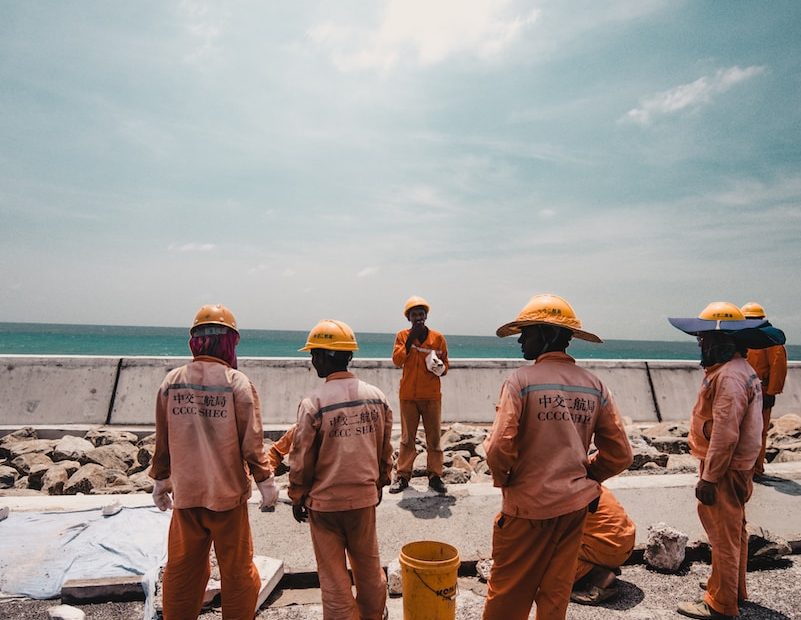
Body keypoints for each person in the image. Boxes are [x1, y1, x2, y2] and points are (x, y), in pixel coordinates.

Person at [482, 293, 633, 620]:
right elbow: (620, 453)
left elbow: (497, 448)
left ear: (548, 334)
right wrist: (590, 475)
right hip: (573, 509)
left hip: (527, 508)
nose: (522, 339)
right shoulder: (594, 386)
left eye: (528, 331)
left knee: (507, 595)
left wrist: (505, 479)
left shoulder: (520, 382)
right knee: (555, 595)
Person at [149, 304, 278, 620]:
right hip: (227, 499)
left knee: (182, 571)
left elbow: (162, 442)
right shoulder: (237, 383)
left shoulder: (172, 382)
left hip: (187, 498)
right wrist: (266, 484)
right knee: (238, 573)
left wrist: (160, 482)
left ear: (195, 341)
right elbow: (252, 443)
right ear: (230, 342)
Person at [669, 301, 785, 619]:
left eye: (704, 340)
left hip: (725, 467)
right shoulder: (738, 371)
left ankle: (721, 604)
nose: (700, 345)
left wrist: (709, 477)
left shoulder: (730, 378)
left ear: (720, 342)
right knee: (734, 531)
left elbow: (725, 432)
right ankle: (733, 591)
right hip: (737, 466)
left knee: (723, 535)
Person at [288, 319, 393, 620]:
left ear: (323, 356)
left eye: (314, 355)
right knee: (369, 566)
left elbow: (301, 458)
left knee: (333, 576)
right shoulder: (377, 397)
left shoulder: (313, 403)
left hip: (324, 506)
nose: (312, 361)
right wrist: (380, 483)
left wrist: (297, 496)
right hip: (363, 500)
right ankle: (374, 615)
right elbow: (385, 449)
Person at [389, 295, 449, 494]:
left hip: (431, 396)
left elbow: (446, 366)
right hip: (408, 396)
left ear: (426, 316)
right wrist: (409, 341)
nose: (418, 318)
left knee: (434, 439)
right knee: (407, 439)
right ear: (409, 318)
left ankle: (435, 476)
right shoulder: (402, 336)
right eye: (414, 315)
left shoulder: (437, 338)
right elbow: (397, 361)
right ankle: (403, 476)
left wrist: (439, 367)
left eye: (421, 314)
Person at [740, 302, 788, 481]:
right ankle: (752, 468)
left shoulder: (749, 337)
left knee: (752, 431)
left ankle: (753, 468)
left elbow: (777, 366)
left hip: (756, 391)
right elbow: (778, 365)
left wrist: (771, 392)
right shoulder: (768, 338)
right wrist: (772, 391)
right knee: (755, 431)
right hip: (757, 390)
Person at [570, 485, 636, 606]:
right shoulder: (583, 477)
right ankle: (596, 565)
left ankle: (596, 575)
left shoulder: (558, 487)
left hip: (608, 546)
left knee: (544, 561)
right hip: (622, 542)